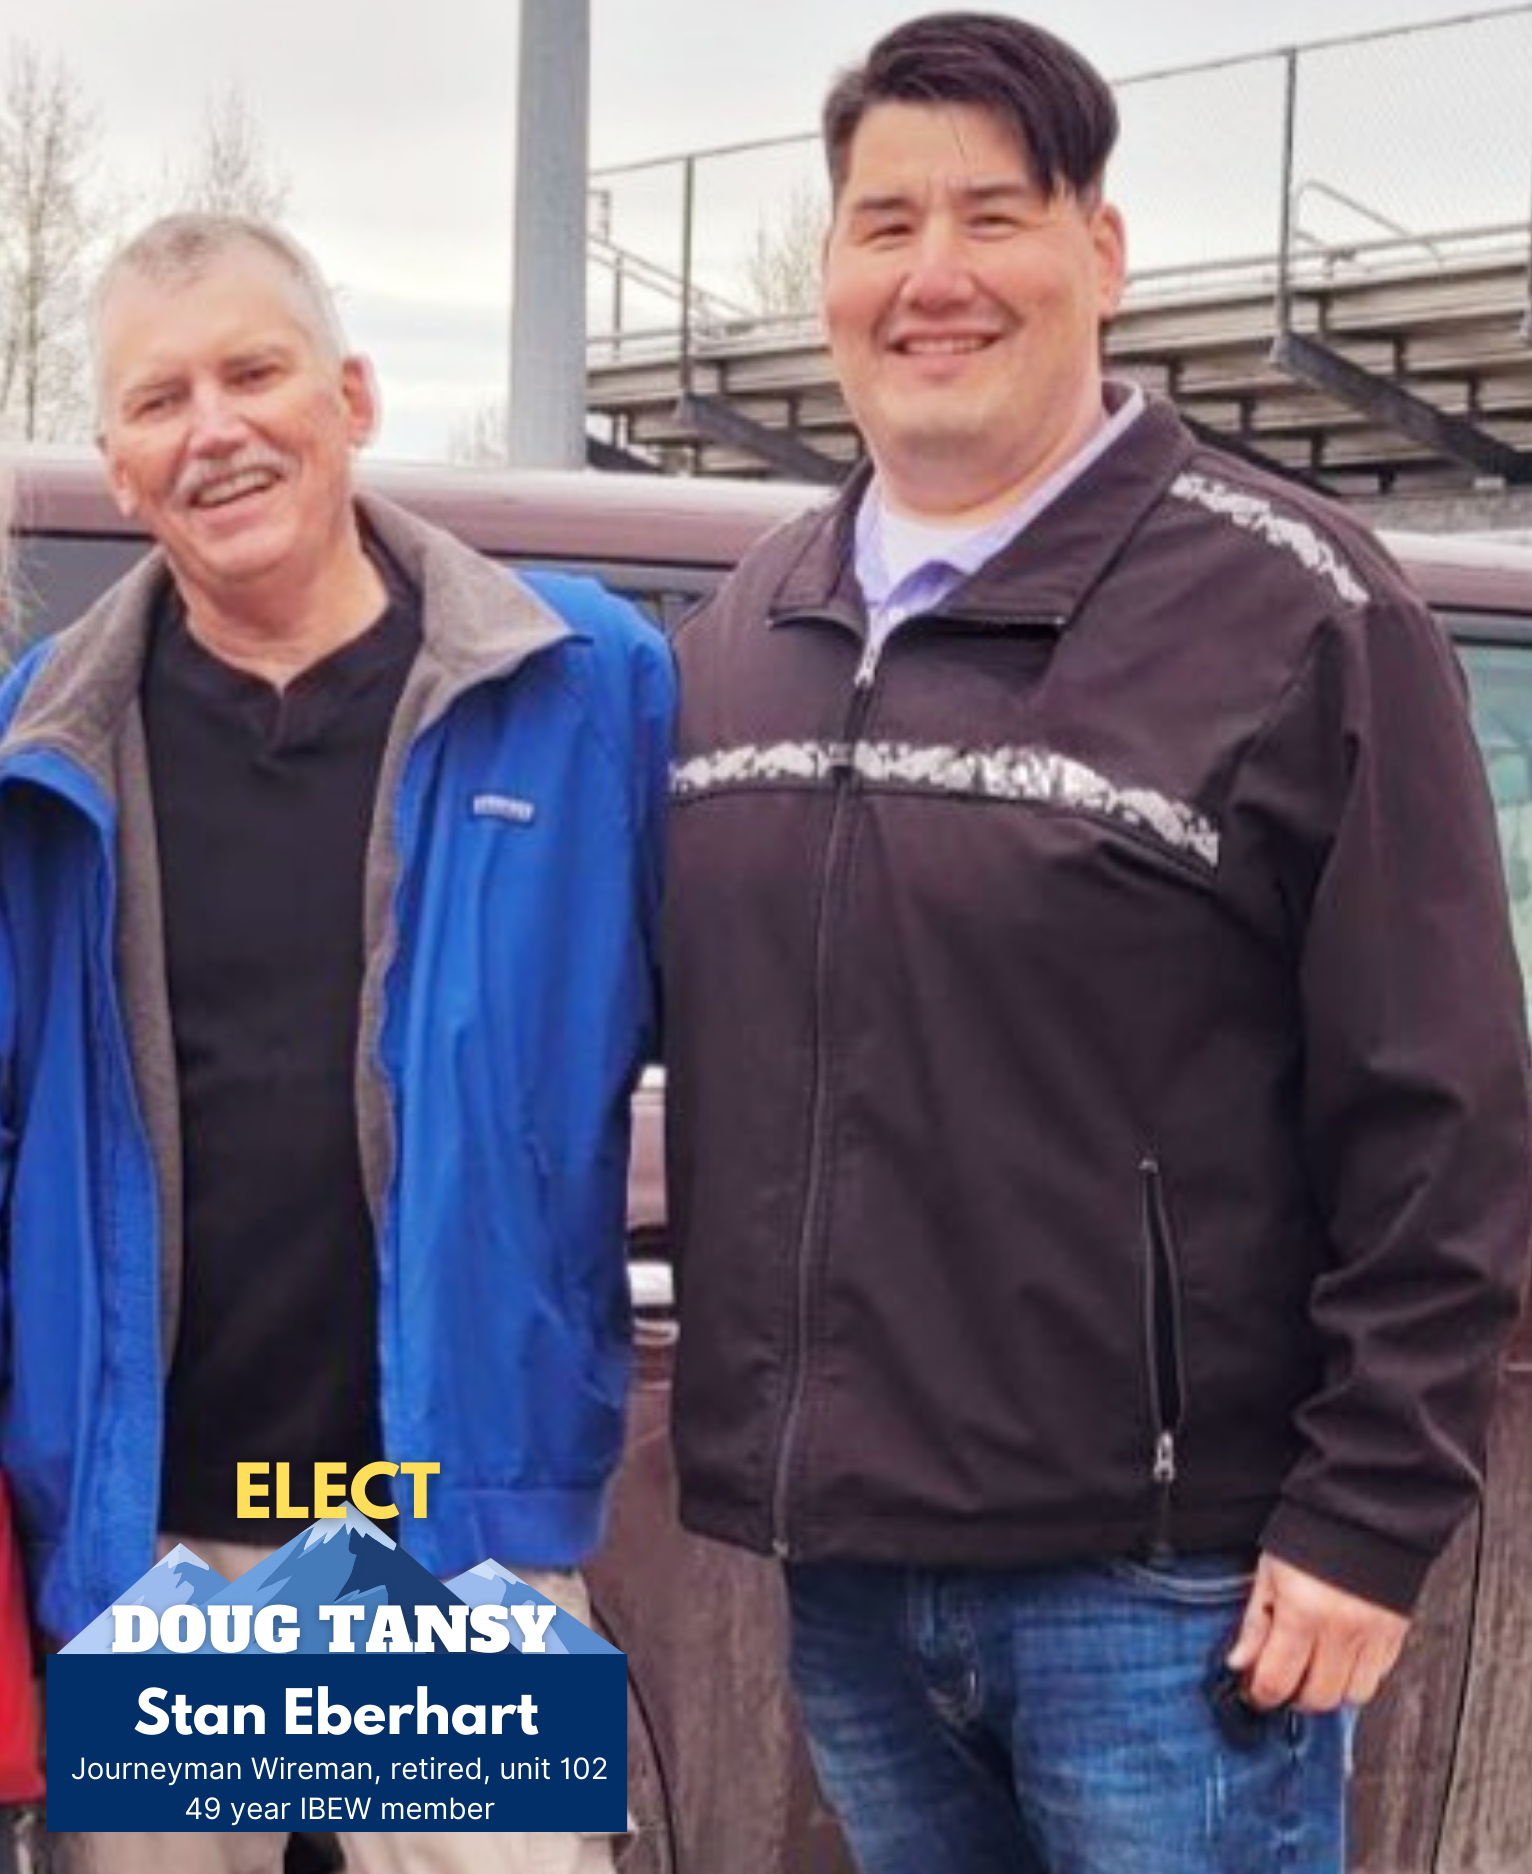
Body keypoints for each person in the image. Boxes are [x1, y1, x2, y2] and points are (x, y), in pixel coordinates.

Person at [663, 14, 1532, 1873]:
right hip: (852, 1575)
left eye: (997, 214)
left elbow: (1443, 1106)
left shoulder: (1298, 613)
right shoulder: (747, 628)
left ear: (1103, 252)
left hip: (1169, 1596)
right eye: (886, 223)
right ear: (830, 271)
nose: (938, 275)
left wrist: (1367, 1517)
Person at [0, 214, 671, 1874]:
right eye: (160, 399)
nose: (213, 427)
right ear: (121, 464)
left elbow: (765, 1045)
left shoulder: (589, 689)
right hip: (146, 1552)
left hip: (458, 1554)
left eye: (253, 369)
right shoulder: (38, 739)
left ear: (351, 393)